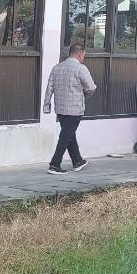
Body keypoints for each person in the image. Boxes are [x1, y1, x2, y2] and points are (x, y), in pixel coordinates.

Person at [43, 41, 96, 175]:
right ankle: (54, 164)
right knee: (66, 136)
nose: (83, 58)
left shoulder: (57, 67)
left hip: (60, 109)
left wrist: (46, 105)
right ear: (80, 54)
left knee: (68, 134)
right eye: (83, 55)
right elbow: (91, 87)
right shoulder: (81, 68)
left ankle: (77, 161)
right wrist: (84, 96)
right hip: (75, 108)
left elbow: (49, 88)